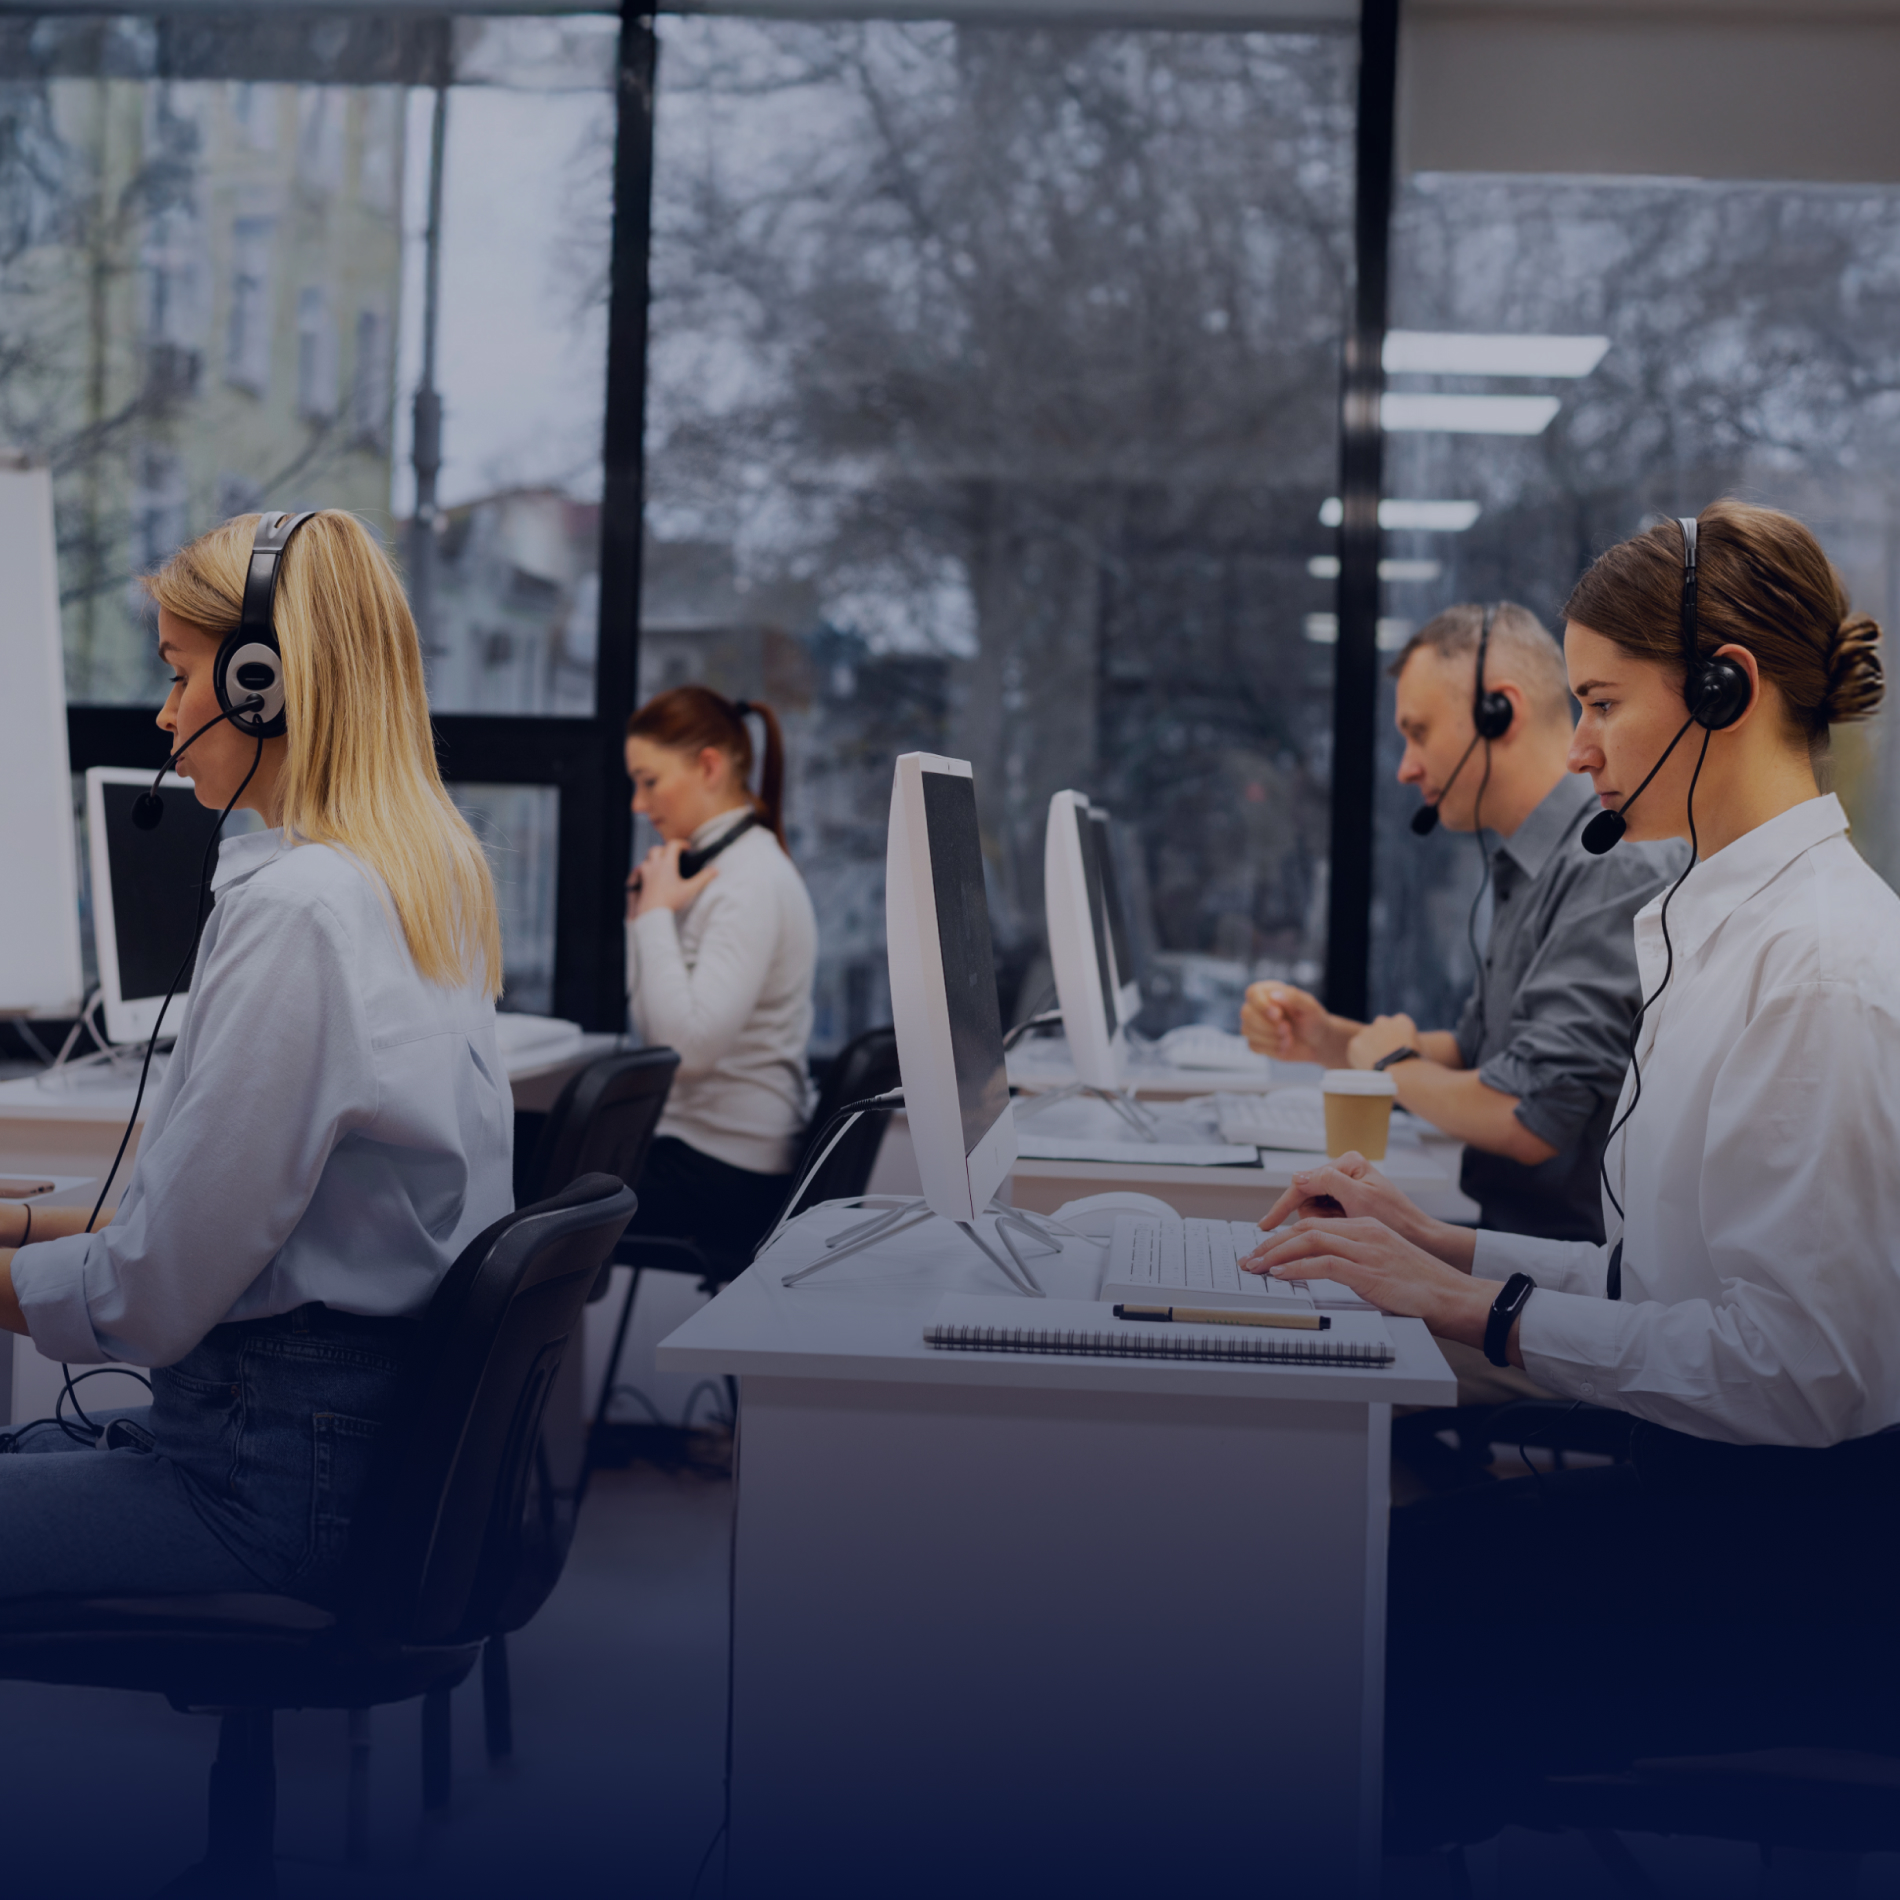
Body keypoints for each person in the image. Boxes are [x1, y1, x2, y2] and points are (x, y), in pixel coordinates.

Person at [1244, 500, 1898, 1844]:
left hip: (1805, 1559)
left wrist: (1477, 1313)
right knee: (1346, 1585)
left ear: (1727, 684)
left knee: (1357, 1624)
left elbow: (1805, 1370)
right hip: (1723, 1497)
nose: (1578, 744)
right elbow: (1666, 1277)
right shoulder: (1718, 925)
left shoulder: (1822, 969)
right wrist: (1442, 1248)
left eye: (1599, 702)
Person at [0, 511, 512, 1603]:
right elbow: (227, 1225)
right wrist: (18, 1224)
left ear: (263, 681)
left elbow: (154, 1296)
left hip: (263, 1487)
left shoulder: (304, 910)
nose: (166, 710)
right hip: (337, 1454)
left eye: (182, 673)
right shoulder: (419, 877)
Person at [1242, 602, 1685, 1246]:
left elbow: (1527, 1116)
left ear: (1496, 712)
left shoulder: (1606, 865)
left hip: (1566, 1272)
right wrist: (1329, 1040)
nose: (1405, 767)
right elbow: (1480, 1056)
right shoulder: (1530, 865)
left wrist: (1390, 1063)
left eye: (1418, 732)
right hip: (1509, 1240)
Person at [621, 685, 817, 1264]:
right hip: (708, 1156)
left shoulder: (747, 881)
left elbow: (686, 1051)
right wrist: (647, 915)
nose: (638, 803)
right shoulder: (722, 871)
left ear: (708, 765)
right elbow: (655, 1029)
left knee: (524, 1180)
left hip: (726, 1172)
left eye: (649, 781)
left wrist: (654, 916)